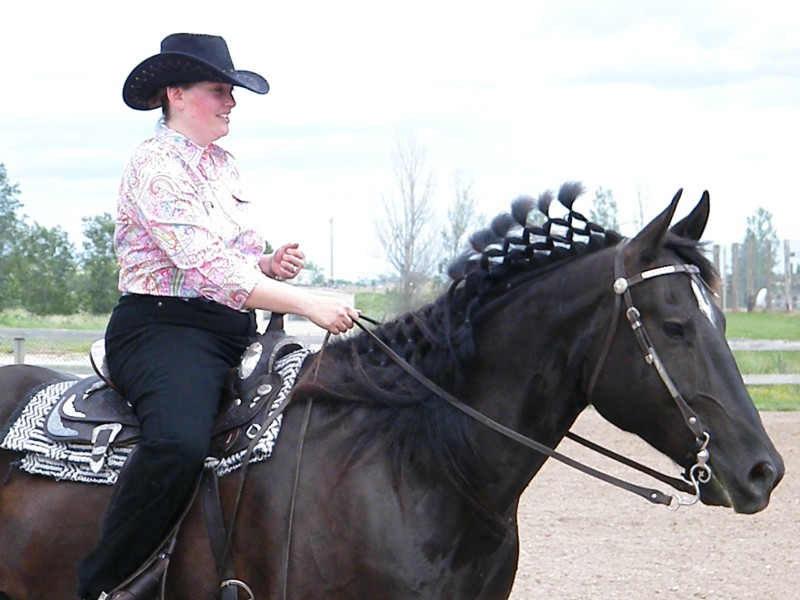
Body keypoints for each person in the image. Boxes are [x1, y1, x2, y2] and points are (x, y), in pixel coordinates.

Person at [76, 33, 359, 599]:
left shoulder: (223, 165)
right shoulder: (153, 164)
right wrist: (307, 303)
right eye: (219, 90)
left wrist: (267, 261)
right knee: (178, 442)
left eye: (231, 91)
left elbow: (230, 254)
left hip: (230, 326)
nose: (231, 102)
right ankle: (107, 584)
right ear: (176, 93)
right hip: (163, 330)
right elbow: (203, 265)